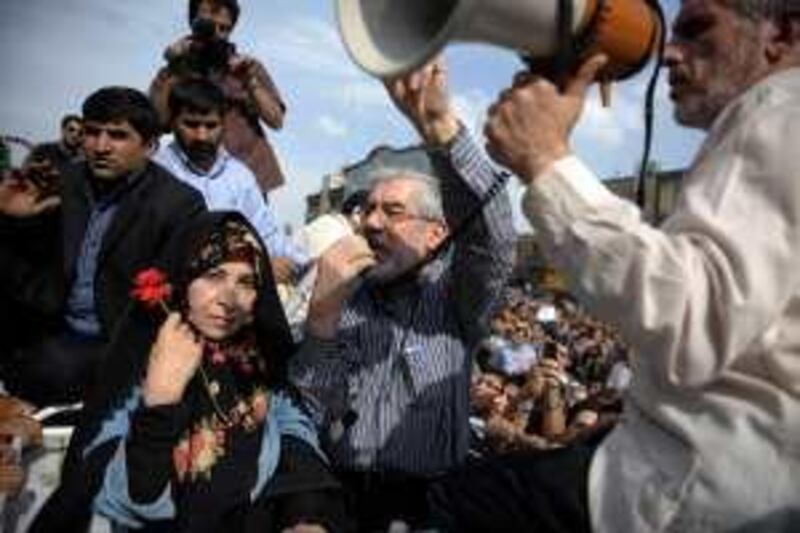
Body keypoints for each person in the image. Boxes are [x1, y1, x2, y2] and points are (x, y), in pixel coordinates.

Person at [429, 0, 800, 531]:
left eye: (697, 29)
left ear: (781, 35)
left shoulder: (780, 107)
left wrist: (546, 161)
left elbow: (690, 321)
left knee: (455, 502)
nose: (669, 54)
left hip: (687, 495)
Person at [289, 58, 515, 530]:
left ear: (435, 235)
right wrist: (322, 320)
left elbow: (490, 235)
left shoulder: (458, 302)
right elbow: (308, 408)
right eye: (368, 209)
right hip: (337, 499)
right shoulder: (343, 294)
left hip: (425, 507)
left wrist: (440, 131)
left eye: (393, 211)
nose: (371, 223)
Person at [56, 211, 344, 533]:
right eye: (213, 275)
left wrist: (306, 515)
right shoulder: (142, 359)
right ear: (183, 279)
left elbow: (295, 439)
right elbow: (128, 496)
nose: (227, 299)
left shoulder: (259, 362)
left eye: (246, 282)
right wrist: (160, 401)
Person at [0, 87, 205, 406]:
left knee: (51, 369)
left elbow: (170, 303)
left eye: (118, 135)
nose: (101, 146)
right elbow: (22, 272)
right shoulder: (61, 182)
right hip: (48, 328)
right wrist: (10, 217)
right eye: (92, 132)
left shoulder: (178, 204)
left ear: (149, 146)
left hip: (114, 345)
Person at [152, 78, 306, 273]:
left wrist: (307, 263)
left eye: (211, 125)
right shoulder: (157, 171)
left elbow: (266, 234)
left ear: (224, 124)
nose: (202, 136)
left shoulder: (240, 177)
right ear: (173, 123)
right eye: (191, 125)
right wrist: (258, 267)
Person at [150, 0, 287, 192]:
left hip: (248, 179)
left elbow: (276, 121)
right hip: (190, 180)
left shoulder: (247, 67)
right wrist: (176, 68)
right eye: (208, 25)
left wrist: (250, 82)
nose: (216, 33)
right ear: (193, 22)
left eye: (224, 28)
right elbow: (156, 124)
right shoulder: (175, 69)